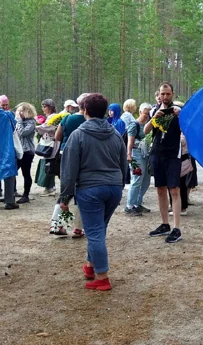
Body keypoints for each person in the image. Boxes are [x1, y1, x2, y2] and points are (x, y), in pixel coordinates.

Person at [60, 93, 127, 291]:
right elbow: (124, 164)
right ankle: (90, 267)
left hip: (90, 189)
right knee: (98, 229)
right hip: (113, 188)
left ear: (85, 111)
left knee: (95, 232)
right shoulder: (115, 133)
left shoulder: (78, 135)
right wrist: (119, 185)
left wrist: (64, 196)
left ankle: (103, 277)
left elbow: (69, 169)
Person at [144, 82, 182, 243]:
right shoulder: (154, 110)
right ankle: (164, 224)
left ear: (172, 94)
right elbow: (144, 131)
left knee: (174, 190)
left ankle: (177, 228)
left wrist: (179, 115)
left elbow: (190, 129)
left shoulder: (179, 111)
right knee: (160, 189)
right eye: (162, 94)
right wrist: (154, 118)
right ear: (158, 95)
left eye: (167, 94)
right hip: (157, 153)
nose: (165, 97)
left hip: (173, 154)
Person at [50, 93, 89, 237]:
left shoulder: (67, 118)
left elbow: (57, 137)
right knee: (80, 191)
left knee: (65, 190)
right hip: (84, 159)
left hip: (64, 156)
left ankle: (56, 225)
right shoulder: (90, 121)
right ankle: (78, 228)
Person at [125, 102, 152, 216]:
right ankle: (129, 206)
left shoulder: (149, 125)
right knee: (136, 179)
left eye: (148, 114)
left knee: (146, 180)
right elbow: (130, 141)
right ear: (140, 112)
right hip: (136, 154)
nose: (146, 116)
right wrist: (129, 154)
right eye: (145, 114)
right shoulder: (134, 125)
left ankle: (138, 203)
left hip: (146, 154)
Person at [14, 103, 37, 204]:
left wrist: (19, 121)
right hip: (18, 150)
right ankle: (12, 193)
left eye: (21, 111)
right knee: (12, 171)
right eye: (18, 111)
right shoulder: (18, 122)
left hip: (27, 152)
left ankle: (26, 195)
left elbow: (23, 133)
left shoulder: (31, 122)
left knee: (26, 173)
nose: (19, 113)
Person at [35, 99, 57, 196]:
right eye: (42, 106)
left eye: (45, 106)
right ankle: (49, 186)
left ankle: (50, 187)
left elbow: (47, 127)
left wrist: (36, 127)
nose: (43, 109)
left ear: (50, 107)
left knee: (49, 164)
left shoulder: (53, 117)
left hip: (51, 143)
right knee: (47, 163)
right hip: (48, 141)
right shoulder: (49, 117)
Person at [0, 107, 19, 209]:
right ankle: (9, 201)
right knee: (8, 174)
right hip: (5, 148)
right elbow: (15, 126)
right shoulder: (7, 115)